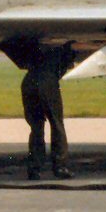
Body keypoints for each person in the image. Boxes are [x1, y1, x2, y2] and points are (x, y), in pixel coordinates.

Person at [22, 47, 74, 180]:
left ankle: (34, 168)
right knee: (56, 124)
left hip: (28, 82)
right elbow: (73, 49)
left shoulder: (40, 45)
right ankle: (60, 166)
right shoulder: (63, 49)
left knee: (36, 127)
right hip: (47, 82)